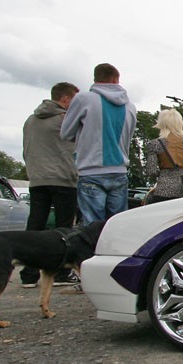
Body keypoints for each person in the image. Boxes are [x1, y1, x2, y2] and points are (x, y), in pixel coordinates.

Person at [19, 82, 81, 288]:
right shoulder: (65, 120)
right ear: (65, 99)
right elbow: (78, 146)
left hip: (37, 178)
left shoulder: (30, 120)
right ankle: (61, 273)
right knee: (64, 228)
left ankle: (28, 275)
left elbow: (26, 148)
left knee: (35, 225)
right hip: (63, 178)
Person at [60, 63, 138, 223]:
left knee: (92, 227)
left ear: (96, 79)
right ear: (116, 80)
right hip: (119, 170)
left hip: (91, 170)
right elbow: (128, 137)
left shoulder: (83, 99)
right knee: (116, 224)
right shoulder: (130, 106)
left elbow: (66, 133)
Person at [144, 109, 183, 203]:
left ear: (162, 123)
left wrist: (164, 173)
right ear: (180, 123)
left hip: (163, 191)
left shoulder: (155, 143)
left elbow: (151, 171)